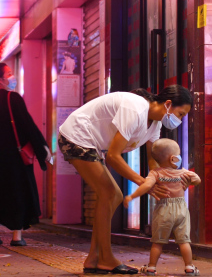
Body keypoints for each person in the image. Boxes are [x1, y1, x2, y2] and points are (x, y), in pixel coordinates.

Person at [58, 85, 193, 274]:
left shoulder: (155, 123)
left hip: (91, 144)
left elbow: (153, 161)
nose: (178, 120)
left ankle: (94, 259)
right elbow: (114, 156)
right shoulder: (136, 108)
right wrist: (142, 182)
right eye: (180, 114)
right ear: (168, 104)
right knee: (110, 193)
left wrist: (166, 183)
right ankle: (104, 258)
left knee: (112, 196)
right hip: (76, 137)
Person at [0, 63, 51, 246]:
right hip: (15, 154)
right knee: (18, 189)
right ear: (0, 79)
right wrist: (42, 147)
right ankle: (17, 236)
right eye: (9, 73)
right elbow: (27, 124)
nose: (13, 76)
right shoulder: (13, 98)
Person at [123, 139, 201, 276]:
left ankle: (151, 267)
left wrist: (132, 196)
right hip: (181, 208)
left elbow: (146, 186)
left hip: (164, 209)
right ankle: (189, 267)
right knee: (184, 241)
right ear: (173, 158)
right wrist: (189, 182)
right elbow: (197, 180)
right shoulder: (183, 173)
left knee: (158, 242)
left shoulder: (156, 173)